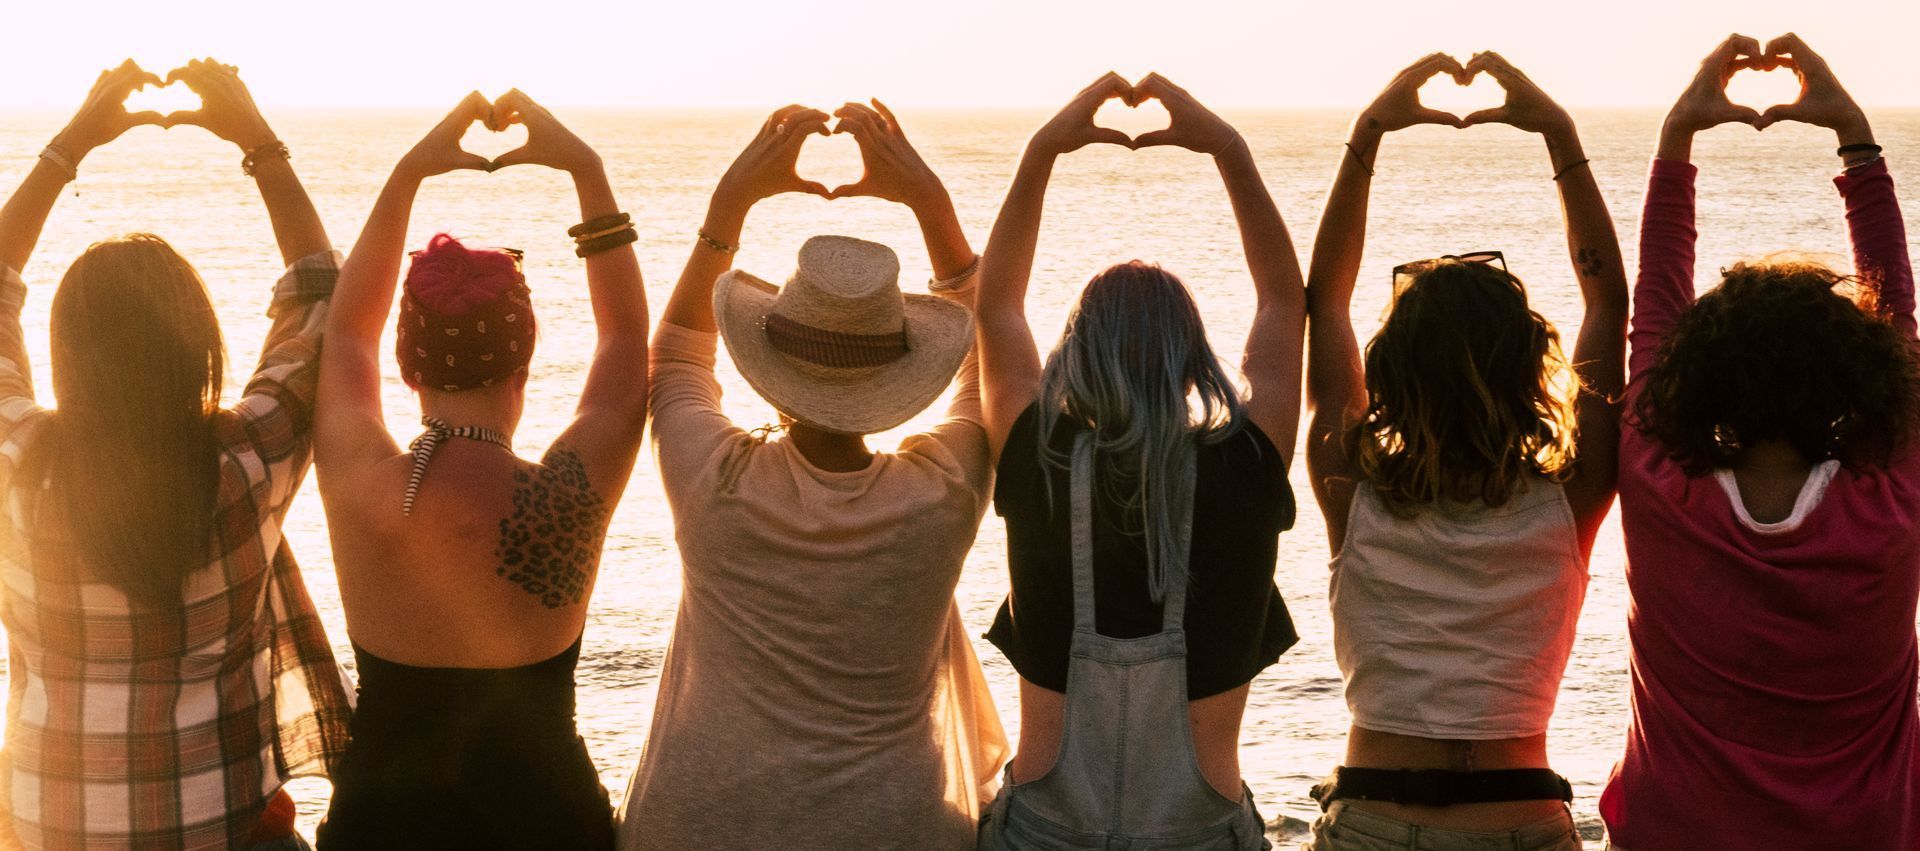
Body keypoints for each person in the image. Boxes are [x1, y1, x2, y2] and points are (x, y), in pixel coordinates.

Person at [614, 101, 1006, 850]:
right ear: (900, 370)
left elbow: (675, 355)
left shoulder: (714, 479)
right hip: (892, 827)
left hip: (699, 824)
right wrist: (930, 202)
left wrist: (731, 205)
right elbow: (992, 362)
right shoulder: (941, 493)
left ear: (770, 370)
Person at [0, 59, 352, 850]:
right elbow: (323, 295)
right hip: (221, 831)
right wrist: (259, 144)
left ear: (67, 355)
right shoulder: (246, 465)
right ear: (199, 350)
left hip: (47, 829)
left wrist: (71, 146)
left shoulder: (18, 469)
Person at [1299, 52, 1626, 851]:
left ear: (1391, 374)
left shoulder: (1351, 487)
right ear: (1527, 365)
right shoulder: (1573, 495)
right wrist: (1558, 133)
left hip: (1374, 822)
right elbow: (1609, 297)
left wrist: (1369, 133)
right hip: (1522, 823)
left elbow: (1326, 303)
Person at [1600, 34, 1920, 849]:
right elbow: (1901, 327)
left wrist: (1678, 136)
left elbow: (1655, 309)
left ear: (1696, 377)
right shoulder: (1891, 496)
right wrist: (1855, 136)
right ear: (1862, 376)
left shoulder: (1657, 477)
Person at [973, 72, 1304, 850]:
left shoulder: (1039, 459)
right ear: (1193, 359)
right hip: (1200, 833)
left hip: (1043, 833)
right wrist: (1227, 149)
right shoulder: (1247, 465)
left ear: (1075, 354)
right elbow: (1284, 304)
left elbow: (995, 307)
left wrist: (1042, 151)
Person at [310, 90, 649, 850]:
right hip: (550, 827)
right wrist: (585, 170)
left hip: (380, 828)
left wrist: (407, 177)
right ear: (525, 357)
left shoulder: (365, 483)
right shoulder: (572, 488)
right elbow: (626, 337)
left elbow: (344, 336)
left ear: (408, 364)